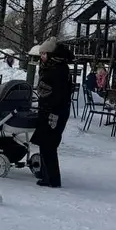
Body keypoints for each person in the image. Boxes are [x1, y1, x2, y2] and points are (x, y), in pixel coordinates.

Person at [32, 37, 73, 188]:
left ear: (51, 54)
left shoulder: (56, 70)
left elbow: (54, 93)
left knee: (48, 144)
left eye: (44, 54)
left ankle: (52, 178)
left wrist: (48, 105)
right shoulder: (56, 67)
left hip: (53, 112)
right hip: (52, 110)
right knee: (46, 143)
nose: (41, 57)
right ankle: (46, 174)